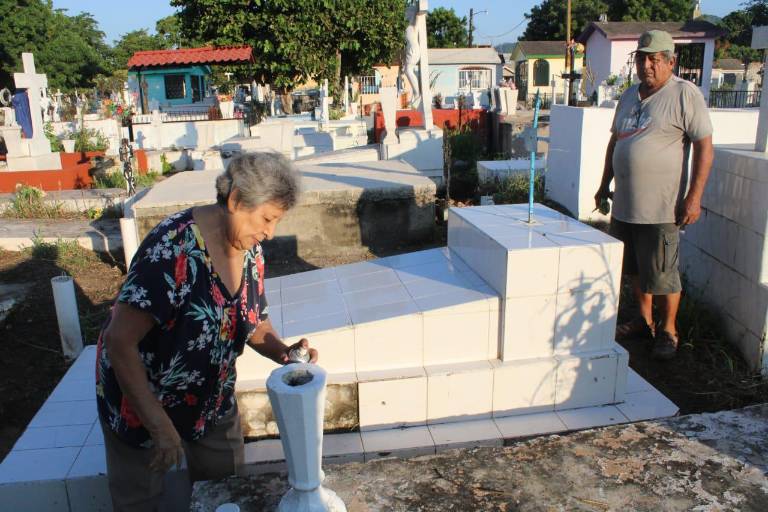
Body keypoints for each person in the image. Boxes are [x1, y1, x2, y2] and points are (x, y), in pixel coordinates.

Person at [96, 152, 318, 511]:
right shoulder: (172, 248)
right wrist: (159, 426)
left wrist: (282, 351)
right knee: (140, 500)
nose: (270, 232)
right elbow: (119, 340)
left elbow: (252, 318)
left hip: (209, 399)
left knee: (227, 493)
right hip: (141, 399)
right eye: (266, 218)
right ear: (234, 201)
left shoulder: (250, 251)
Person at [594, 30, 714, 360]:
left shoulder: (684, 95)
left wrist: (694, 196)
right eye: (642, 57)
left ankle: (668, 331)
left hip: (660, 207)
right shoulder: (629, 95)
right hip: (625, 205)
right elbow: (615, 143)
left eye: (654, 59)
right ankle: (643, 321)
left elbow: (704, 147)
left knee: (662, 273)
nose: (646, 64)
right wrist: (604, 184)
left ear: (670, 62)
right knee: (633, 269)